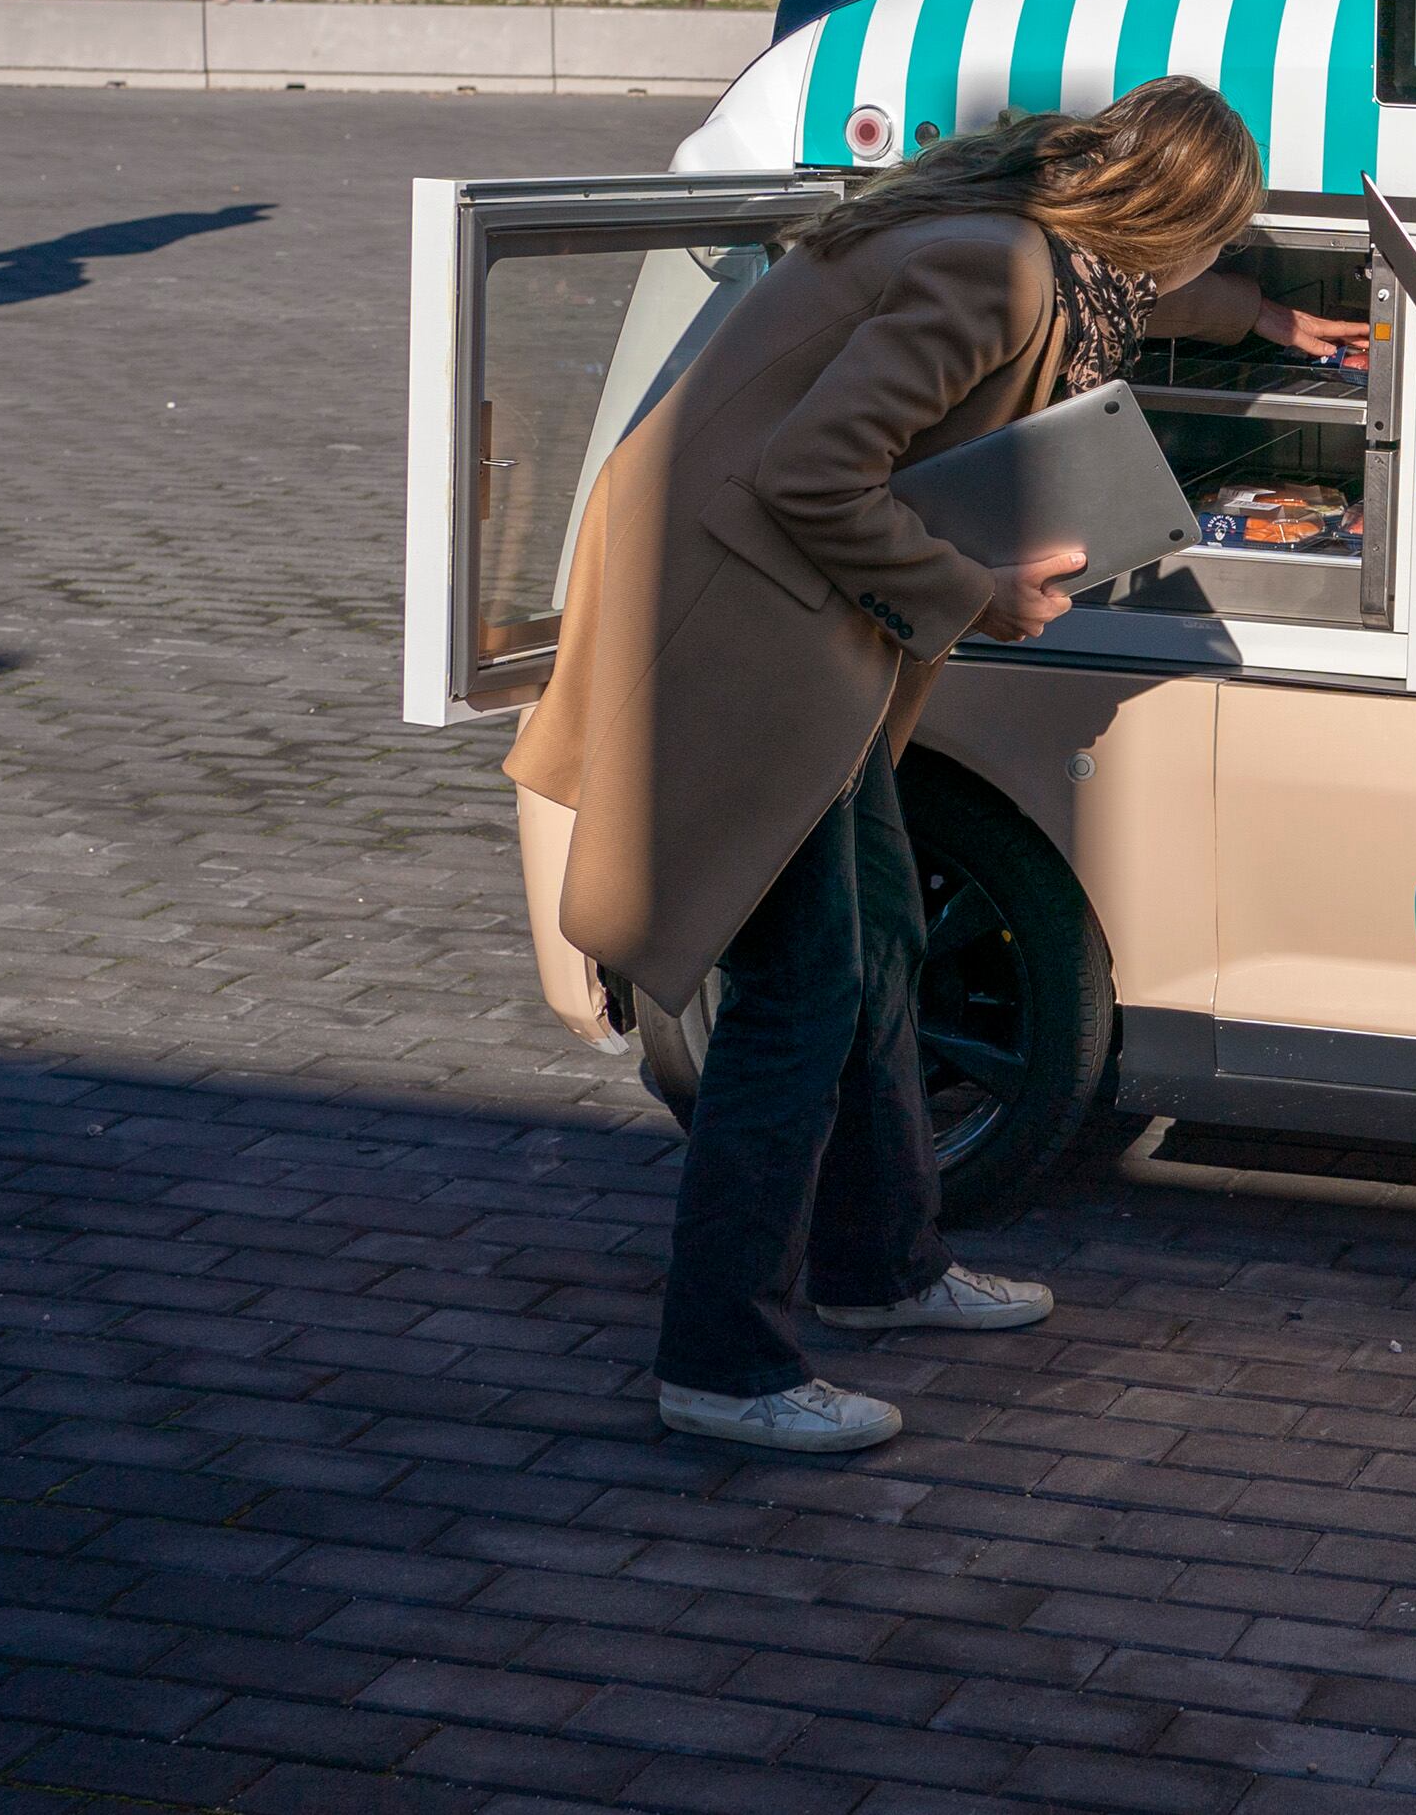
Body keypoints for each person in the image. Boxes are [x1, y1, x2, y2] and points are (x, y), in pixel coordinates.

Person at [506, 80, 1362, 1453]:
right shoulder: (998, 271)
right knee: (798, 989)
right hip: (746, 621)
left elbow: (1145, 303)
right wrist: (980, 591)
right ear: (1174, 218)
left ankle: (880, 1262)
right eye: (1226, 240)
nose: (1211, 264)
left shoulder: (1029, 241)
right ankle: (722, 1359)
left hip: (792, 614)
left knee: (884, 934)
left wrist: (1261, 314)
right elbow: (813, 473)